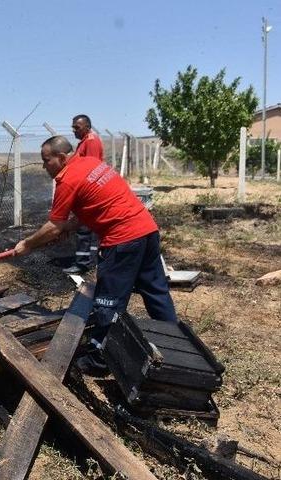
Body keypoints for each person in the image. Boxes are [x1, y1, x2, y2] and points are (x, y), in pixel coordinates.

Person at [13, 136, 177, 373]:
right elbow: (93, 205)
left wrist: (27, 244)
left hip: (122, 240)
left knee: (108, 301)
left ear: (60, 158)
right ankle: (174, 343)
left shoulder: (67, 179)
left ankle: (100, 359)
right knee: (156, 291)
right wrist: (70, 227)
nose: (43, 166)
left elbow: (52, 227)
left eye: (46, 160)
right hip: (147, 230)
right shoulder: (91, 164)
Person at [63, 114, 105, 275]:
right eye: (73, 127)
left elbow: (91, 168)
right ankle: (91, 260)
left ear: (87, 127)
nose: (74, 130)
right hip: (90, 191)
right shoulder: (86, 141)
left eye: (77, 127)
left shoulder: (91, 142)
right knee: (89, 227)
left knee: (84, 228)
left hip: (90, 192)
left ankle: (82, 264)